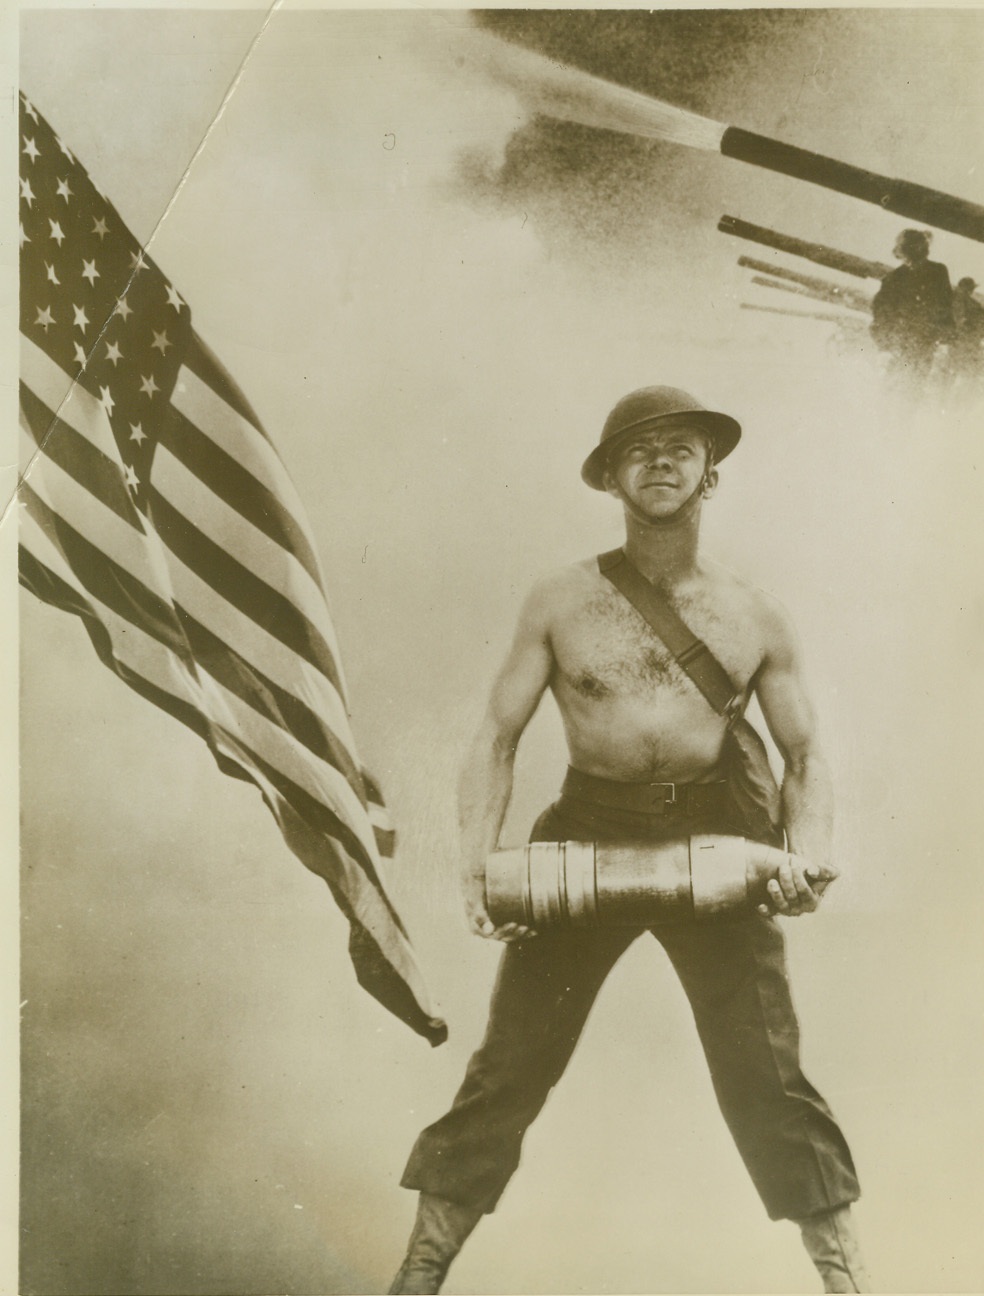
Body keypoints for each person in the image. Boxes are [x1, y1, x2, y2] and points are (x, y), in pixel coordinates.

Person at [390, 386, 868, 1294]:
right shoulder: (560, 600)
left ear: (710, 475)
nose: (660, 460)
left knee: (768, 1076)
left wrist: (804, 857)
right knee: (509, 1069)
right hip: (588, 831)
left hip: (719, 837)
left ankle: (850, 1284)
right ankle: (417, 1275)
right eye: (639, 449)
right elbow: (496, 737)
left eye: (681, 446)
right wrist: (474, 867)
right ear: (610, 476)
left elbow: (805, 756)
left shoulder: (754, 613)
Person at [870, 228, 953, 387]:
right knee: (904, 384)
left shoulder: (896, 277)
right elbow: (881, 312)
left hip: (915, 340)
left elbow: (945, 305)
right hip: (909, 341)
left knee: (907, 384)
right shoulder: (896, 278)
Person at [949, 276, 984, 387]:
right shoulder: (963, 300)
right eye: (971, 288)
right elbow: (961, 320)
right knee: (964, 371)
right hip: (965, 340)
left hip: (963, 339)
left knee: (957, 370)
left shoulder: (957, 298)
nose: (972, 291)